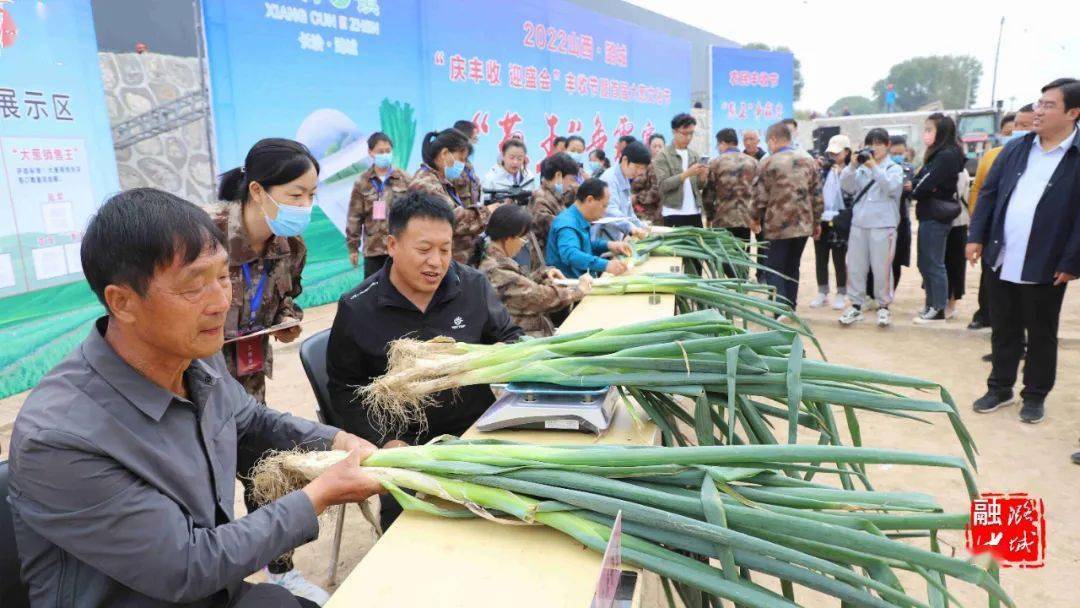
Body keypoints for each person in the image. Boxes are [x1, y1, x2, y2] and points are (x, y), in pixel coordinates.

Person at [8, 188, 383, 608]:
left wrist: (337, 442)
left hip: (215, 591)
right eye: (193, 287)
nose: (222, 302)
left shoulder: (197, 363)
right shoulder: (60, 437)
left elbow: (253, 423)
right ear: (123, 302)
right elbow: (186, 566)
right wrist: (318, 496)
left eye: (223, 276)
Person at [326, 191, 523, 528]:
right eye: (423, 249)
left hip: (474, 435)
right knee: (411, 540)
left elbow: (510, 338)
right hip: (407, 453)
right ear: (392, 245)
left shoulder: (472, 286)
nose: (436, 262)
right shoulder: (358, 307)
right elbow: (345, 388)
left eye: (445, 249)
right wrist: (386, 440)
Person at [211, 138, 329, 602]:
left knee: (266, 472)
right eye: (296, 195)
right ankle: (213, 582)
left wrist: (286, 320)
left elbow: (285, 297)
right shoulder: (204, 236)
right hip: (191, 385)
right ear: (258, 191)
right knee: (206, 481)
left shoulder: (291, 248)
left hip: (249, 381)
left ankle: (281, 570)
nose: (306, 206)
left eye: (312, 195)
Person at [967, 78, 1080, 428]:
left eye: (1049, 105)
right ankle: (1000, 387)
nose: (1038, 111)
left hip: (1047, 263)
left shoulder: (1075, 157)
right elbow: (988, 192)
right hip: (1002, 255)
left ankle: (1034, 396)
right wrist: (977, 236)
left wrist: (1072, 260)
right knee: (1003, 328)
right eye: (1038, 103)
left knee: (1041, 333)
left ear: (1073, 113)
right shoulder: (1018, 148)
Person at [473, 204, 590, 336]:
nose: (524, 243)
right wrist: (578, 291)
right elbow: (539, 297)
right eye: (522, 237)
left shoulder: (495, 259)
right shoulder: (496, 270)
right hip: (521, 340)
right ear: (508, 237)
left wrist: (543, 274)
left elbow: (519, 285)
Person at [967, 104, 1036, 331]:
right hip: (996, 233)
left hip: (1028, 241)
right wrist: (976, 228)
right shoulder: (998, 155)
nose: (1016, 131)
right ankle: (992, 324)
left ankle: (1021, 340)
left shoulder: (1045, 159)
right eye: (1014, 126)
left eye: (1023, 126)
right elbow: (982, 191)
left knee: (1024, 294)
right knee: (993, 282)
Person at [750, 121, 823, 309]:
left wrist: (755, 217)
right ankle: (791, 307)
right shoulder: (809, 161)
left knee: (774, 266)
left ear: (773, 140)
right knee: (792, 266)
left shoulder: (767, 162)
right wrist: (817, 222)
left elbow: (760, 196)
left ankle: (781, 309)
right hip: (803, 224)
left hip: (777, 225)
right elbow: (817, 195)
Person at [837, 129, 904, 327]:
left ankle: (883, 307)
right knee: (856, 267)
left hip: (884, 225)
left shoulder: (894, 168)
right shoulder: (861, 169)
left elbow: (891, 187)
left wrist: (874, 166)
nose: (874, 148)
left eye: (878, 143)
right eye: (871, 143)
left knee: (881, 268)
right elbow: (847, 186)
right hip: (859, 224)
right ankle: (855, 306)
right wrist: (852, 165)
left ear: (887, 145)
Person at [409, 128, 495, 265]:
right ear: (444, 154)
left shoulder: (442, 181)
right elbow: (452, 219)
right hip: (436, 263)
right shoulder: (425, 184)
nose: (463, 165)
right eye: (461, 159)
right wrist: (488, 212)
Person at [911, 113, 967, 323]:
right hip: (928, 214)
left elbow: (923, 183)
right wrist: (917, 186)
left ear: (941, 132)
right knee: (925, 262)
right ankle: (930, 304)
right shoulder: (936, 155)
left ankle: (938, 307)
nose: (926, 134)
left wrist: (916, 189)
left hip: (936, 215)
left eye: (929, 130)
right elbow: (920, 179)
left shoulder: (946, 155)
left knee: (934, 262)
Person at [347, 132, 410, 278]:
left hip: (400, 247)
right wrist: (353, 248)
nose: (385, 155)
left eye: (388, 151)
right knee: (373, 292)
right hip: (373, 249)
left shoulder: (405, 178)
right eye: (380, 152)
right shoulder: (362, 182)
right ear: (371, 153)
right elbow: (354, 217)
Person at [546, 178, 633, 278]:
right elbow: (571, 255)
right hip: (571, 286)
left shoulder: (576, 217)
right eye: (604, 206)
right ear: (590, 200)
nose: (604, 212)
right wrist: (606, 265)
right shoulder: (567, 224)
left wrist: (610, 245)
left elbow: (584, 244)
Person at [810, 134, 851, 310]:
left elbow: (852, 196)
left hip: (840, 219)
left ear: (847, 152)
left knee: (839, 257)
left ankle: (841, 292)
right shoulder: (823, 171)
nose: (833, 157)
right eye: (831, 153)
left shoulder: (851, 171)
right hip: (822, 218)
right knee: (821, 256)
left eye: (837, 153)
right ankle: (822, 291)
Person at [702, 128, 758, 243]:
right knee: (742, 257)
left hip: (722, 219)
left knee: (725, 257)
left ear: (722, 143)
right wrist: (756, 218)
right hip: (745, 220)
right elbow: (759, 194)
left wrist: (709, 217)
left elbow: (708, 196)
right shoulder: (752, 162)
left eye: (718, 145)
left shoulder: (715, 163)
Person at [654, 112, 707, 227]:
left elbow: (699, 186)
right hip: (673, 212)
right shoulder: (663, 155)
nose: (688, 137)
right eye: (684, 133)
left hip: (694, 211)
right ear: (674, 131)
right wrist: (687, 173)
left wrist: (703, 177)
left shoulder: (694, 155)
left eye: (691, 133)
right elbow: (663, 186)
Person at [530, 152, 581, 260]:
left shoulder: (556, 196)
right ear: (558, 175)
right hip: (545, 262)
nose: (572, 185)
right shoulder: (540, 198)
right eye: (571, 180)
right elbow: (559, 229)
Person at [600, 140, 652, 239]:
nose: (639, 172)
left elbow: (629, 213)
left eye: (642, 168)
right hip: (604, 240)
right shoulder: (610, 179)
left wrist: (642, 227)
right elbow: (611, 211)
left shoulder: (625, 177)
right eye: (637, 167)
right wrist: (632, 228)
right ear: (624, 160)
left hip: (616, 238)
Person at [945, 168, 973, 319]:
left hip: (958, 221)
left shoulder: (961, 171)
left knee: (955, 265)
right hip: (940, 220)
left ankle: (951, 305)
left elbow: (957, 194)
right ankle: (935, 302)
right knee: (938, 264)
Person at [481, 138, 538, 202]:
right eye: (511, 157)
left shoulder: (529, 177)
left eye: (519, 158)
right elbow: (483, 208)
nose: (515, 162)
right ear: (503, 156)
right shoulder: (491, 178)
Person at [631, 134, 665, 224]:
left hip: (653, 214)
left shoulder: (662, 166)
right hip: (639, 212)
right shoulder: (645, 164)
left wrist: (637, 198)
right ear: (649, 147)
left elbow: (657, 191)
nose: (657, 149)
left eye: (660, 146)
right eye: (654, 146)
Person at [452, 119, 483, 206]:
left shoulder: (468, 165)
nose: (475, 143)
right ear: (463, 139)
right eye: (474, 139)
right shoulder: (450, 166)